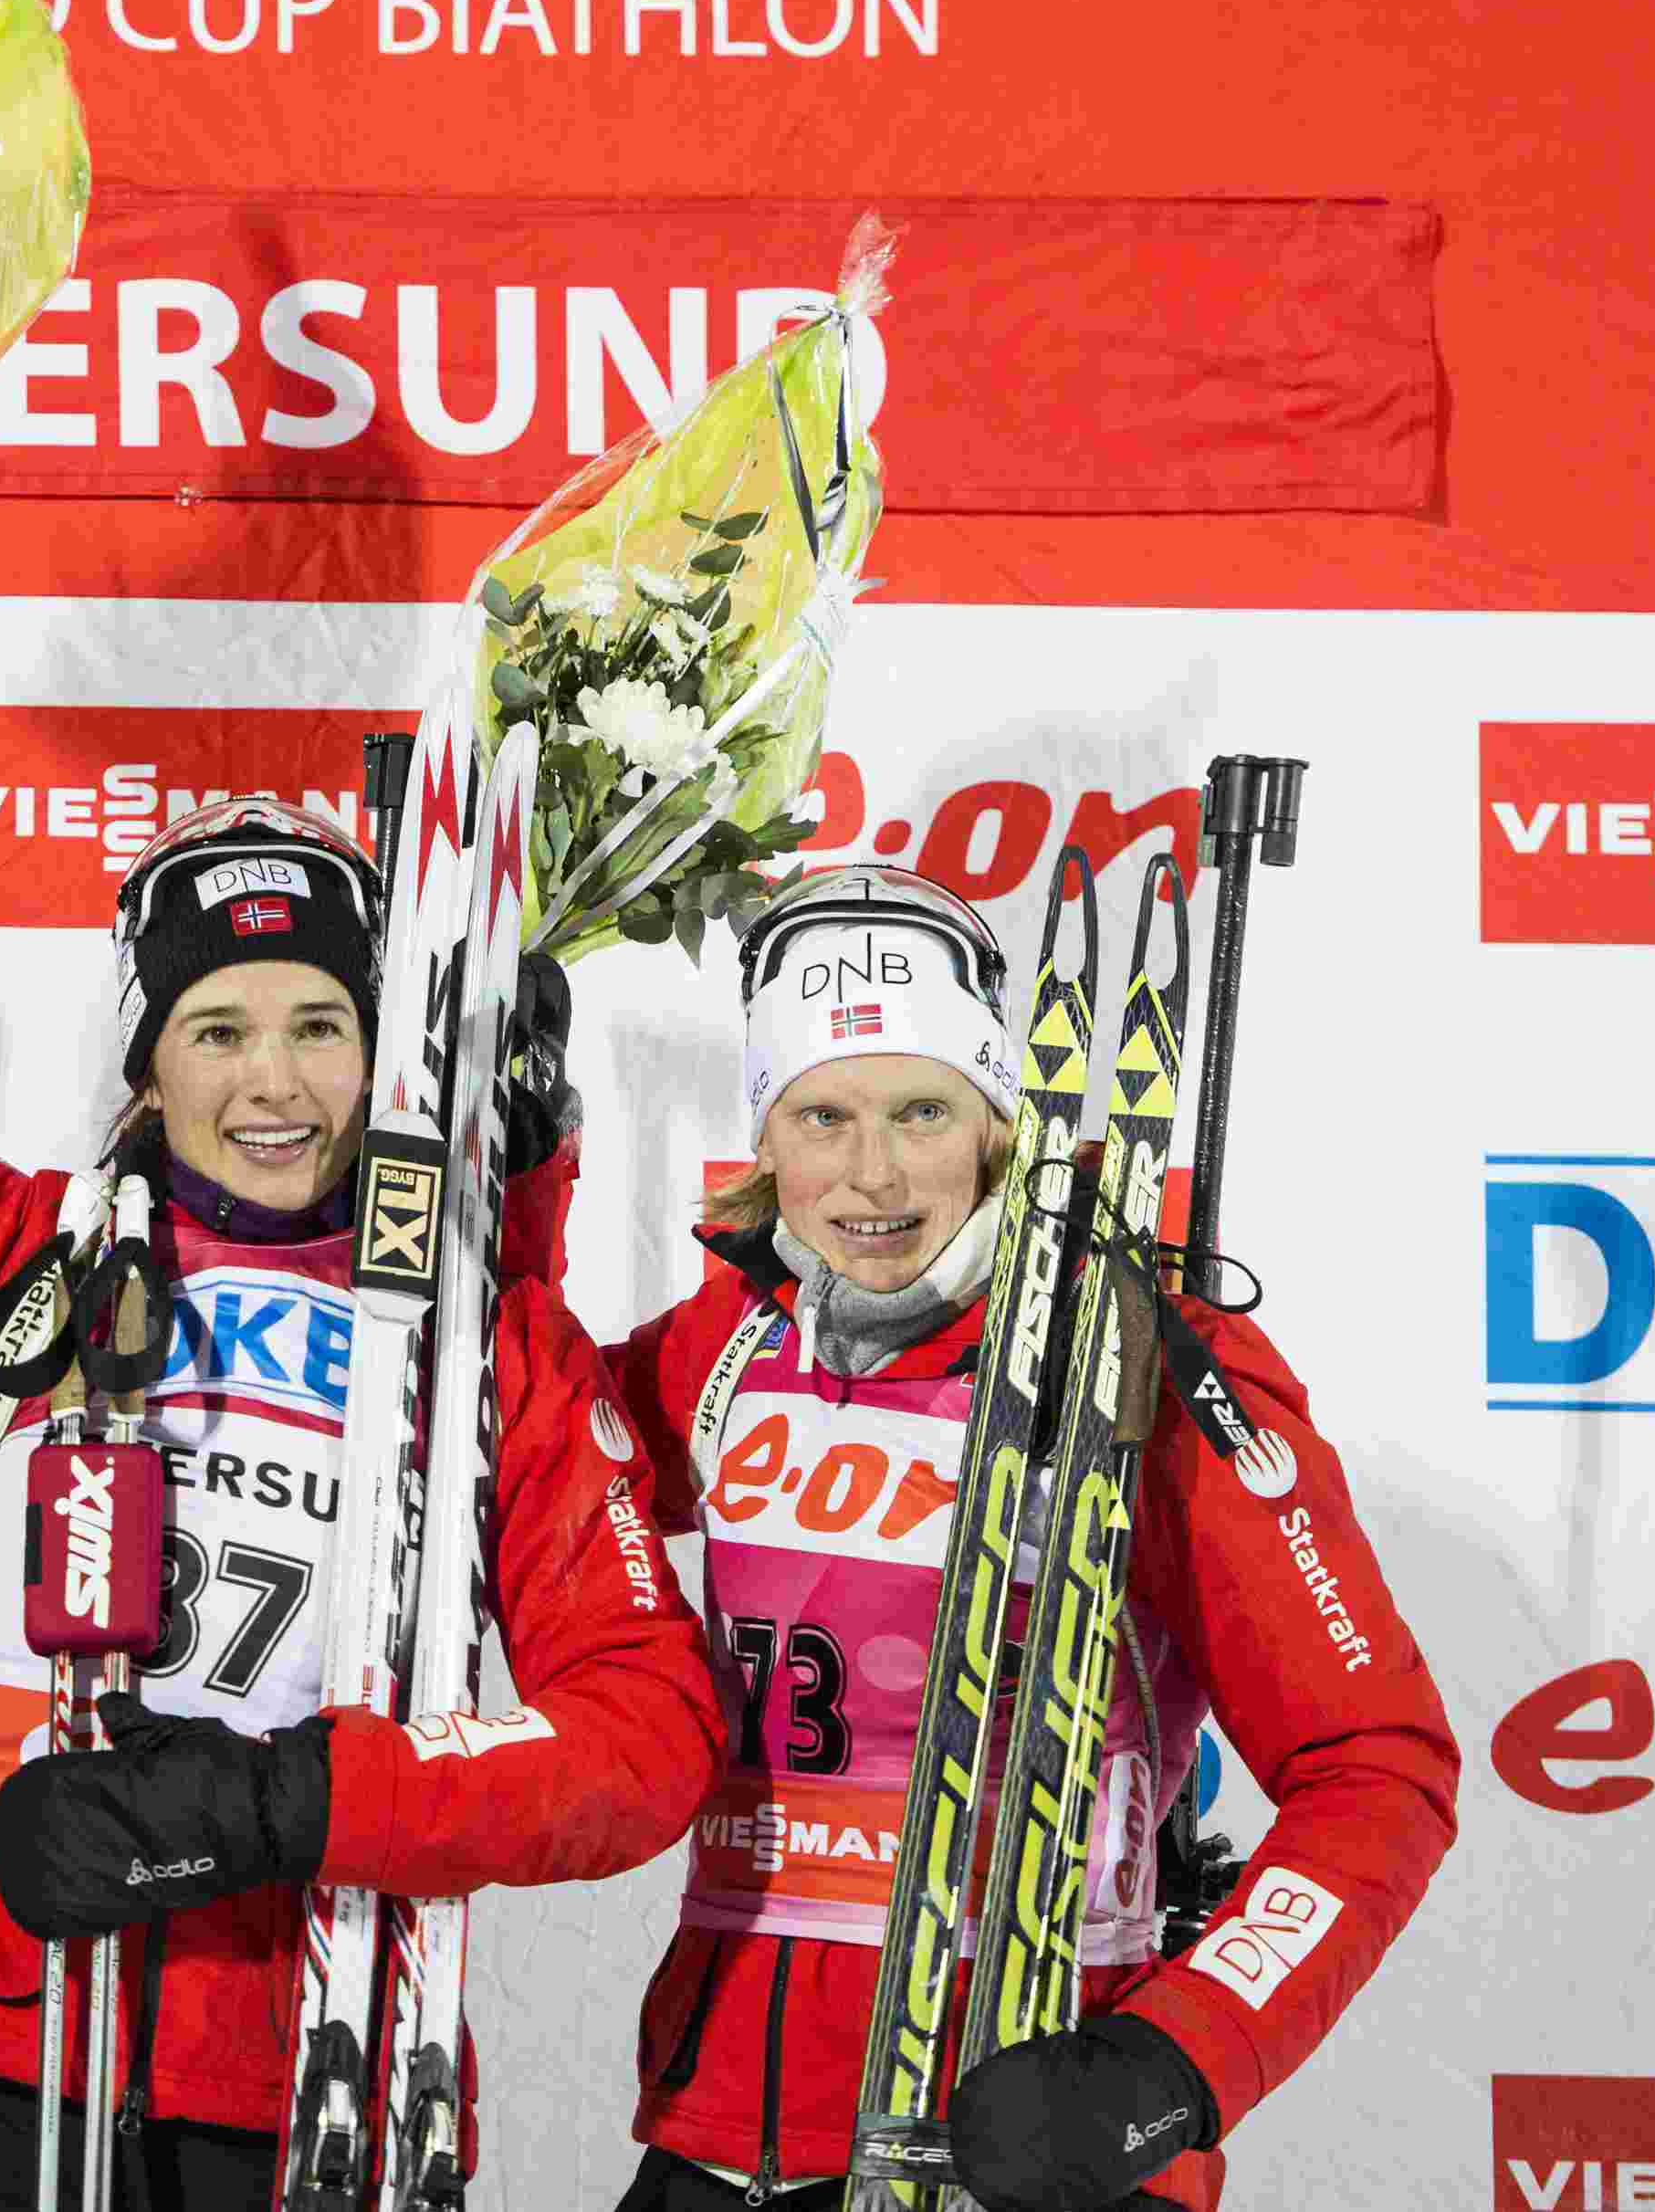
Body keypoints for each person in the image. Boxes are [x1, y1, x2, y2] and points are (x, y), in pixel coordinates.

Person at [0, 387, 730, 2211]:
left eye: (320, 1024)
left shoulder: (485, 1347)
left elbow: (642, 1738)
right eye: (216, 1027)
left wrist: (286, 1802)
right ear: (148, 1058)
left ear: (381, 1054)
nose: (272, 1080)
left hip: (302, 2057)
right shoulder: (19, 1253)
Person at [598, 866, 1461, 2212]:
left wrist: (1166, 2067)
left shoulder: (1142, 1361)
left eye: (924, 1111)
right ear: (765, 1132)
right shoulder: (730, 1343)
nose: (873, 1174)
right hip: (725, 2133)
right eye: (823, 1115)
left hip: (1027, 2130)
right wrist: (512, 1177)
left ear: (1000, 1119)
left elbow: (1379, 1765)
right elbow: (505, 1459)